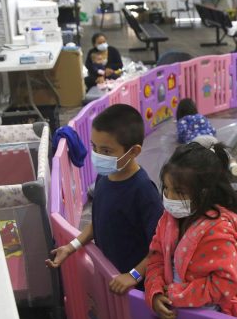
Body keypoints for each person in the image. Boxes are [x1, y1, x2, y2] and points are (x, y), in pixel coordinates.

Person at [144, 139, 237, 319]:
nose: (169, 197)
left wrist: (179, 295)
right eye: (166, 188)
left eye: (179, 192)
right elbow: (156, 258)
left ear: (203, 193)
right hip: (175, 315)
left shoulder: (218, 230)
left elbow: (226, 283)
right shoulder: (168, 219)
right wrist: (155, 292)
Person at [46, 105, 162, 296]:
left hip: (135, 290)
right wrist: (71, 247)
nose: (98, 156)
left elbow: (160, 246)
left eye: (106, 151)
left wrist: (133, 275)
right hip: (111, 277)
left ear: (133, 152)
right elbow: (99, 221)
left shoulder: (143, 191)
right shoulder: (104, 176)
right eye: (94, 147)